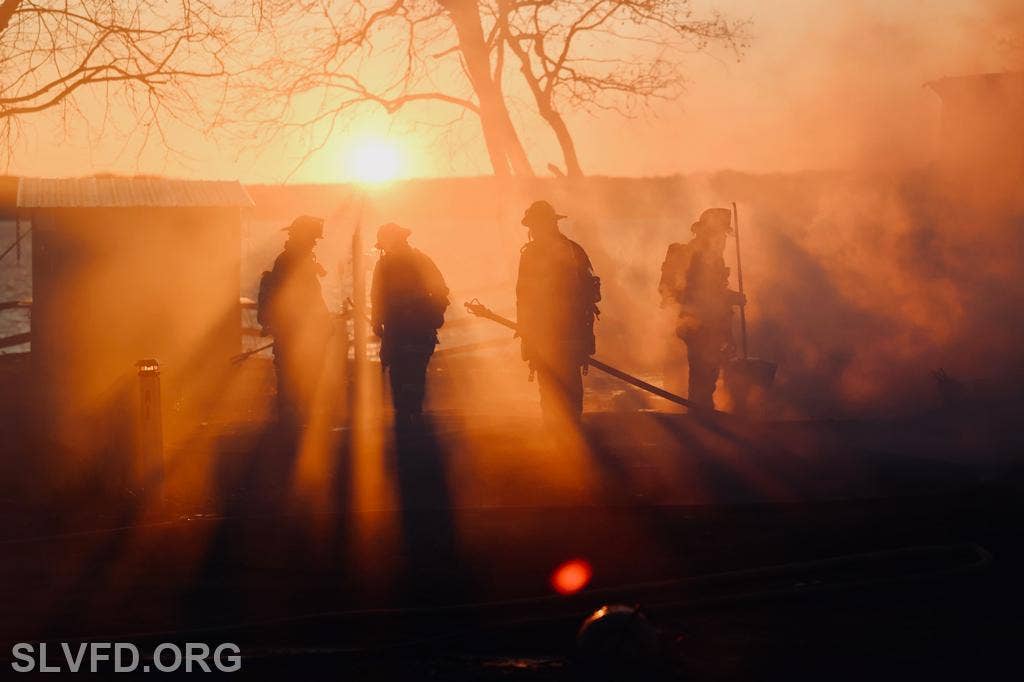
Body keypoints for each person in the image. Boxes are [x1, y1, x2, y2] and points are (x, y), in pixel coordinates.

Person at [516, 200, 600, 426]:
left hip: (557, 333)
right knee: (559, 386)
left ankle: (563, 432)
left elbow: (523, 296)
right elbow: (524, 295)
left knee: (557, 386)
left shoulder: (535, 254)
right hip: (563, 333)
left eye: (535, 225)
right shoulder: (572, 250)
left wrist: (527, 329)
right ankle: (564, 432)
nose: (533, 230)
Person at [659, 208, 745, 409]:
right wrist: (732, 298)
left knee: (707, 373)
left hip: (708, 323)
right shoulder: (696, 256)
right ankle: (701, 414)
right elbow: (702, 292)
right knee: (703, 373)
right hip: (698, 324)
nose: (723, 239)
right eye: (721, 233)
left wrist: (730, 299)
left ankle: (701, 412)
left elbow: (713, 290)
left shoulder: (710, 256)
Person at [371, 222, 449, 426]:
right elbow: (441, 290)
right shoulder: (420, 260)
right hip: (415, 329)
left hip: (401, 329)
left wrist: (377, 322)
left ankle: (406, 415)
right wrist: (434, 313)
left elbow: (376, 297)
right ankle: (412, 412)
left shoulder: (385, 265)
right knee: (414, 371)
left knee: (402, 372)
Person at [260, 215, 332, 428]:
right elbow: (306, 298)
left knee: (296, 376)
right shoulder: (292, 261)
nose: (314, 243)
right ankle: (294, 422)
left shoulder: (292, 259)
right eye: (313, 238)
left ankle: (294, 421)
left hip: (297, 332)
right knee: (296, 376)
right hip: (296, 333)